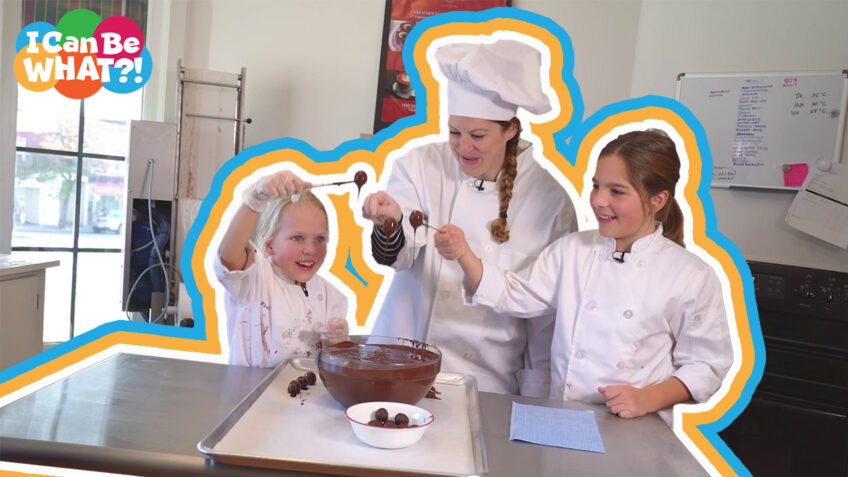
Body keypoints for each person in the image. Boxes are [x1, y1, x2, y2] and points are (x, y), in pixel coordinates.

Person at [434, 129, 733, 424]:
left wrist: (647, 398)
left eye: (616, 191)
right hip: (564, 418)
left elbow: (707, 364)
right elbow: (516, 296)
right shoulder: (572, 250)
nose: (598, 200)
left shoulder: (690, 275)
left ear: (658, 200)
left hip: (635, 428)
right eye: (596, 186)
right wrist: (463, 253)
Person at [361, 39, 577, 396]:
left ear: (510, 130)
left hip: (486, 380)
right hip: (400, 362)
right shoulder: (420, 164)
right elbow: (395, 258)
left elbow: (545, 317)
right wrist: (390, 220)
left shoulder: (550, 201)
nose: (463, 147)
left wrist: (539, 402)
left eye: (478, 136)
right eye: (455, 133)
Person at [215, 171, 349, 367]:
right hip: (252, 392)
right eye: (297, 238)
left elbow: (336, 364)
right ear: (269, 245)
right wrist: (255, 200)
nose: (310, 249)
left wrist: (339, 342)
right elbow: (229, 255)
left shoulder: (333, 297)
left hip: (306, 393)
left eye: (319, 239)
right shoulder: (254, 279)